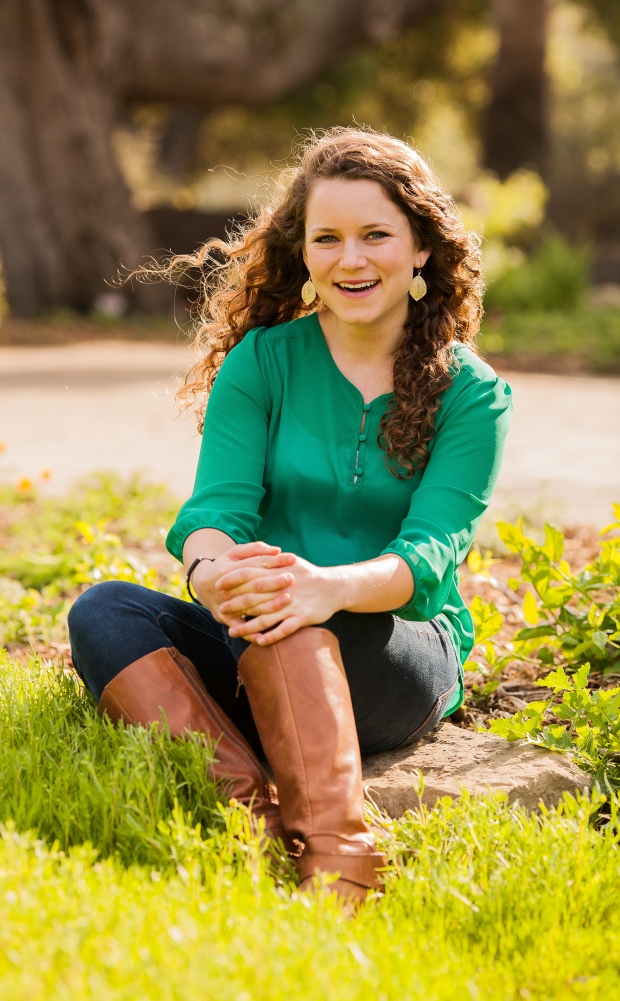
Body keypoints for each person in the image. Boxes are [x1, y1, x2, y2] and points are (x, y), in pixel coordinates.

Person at [68, 126, 512, 905]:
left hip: (392, 652)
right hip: (261, 632)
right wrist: (213, 574)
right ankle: (249, 823)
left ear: (420, 250)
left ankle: (341, 865)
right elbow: (214, 513)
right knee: (105, 610)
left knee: (295, 617)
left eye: (375, 235)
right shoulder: (264, 360)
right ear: (302, 252)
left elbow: (427, 560)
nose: (350, 259)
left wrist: (325, 588)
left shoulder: (472, 393)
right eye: (327, 238)